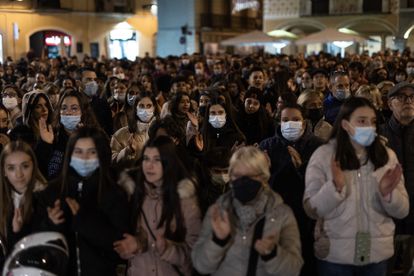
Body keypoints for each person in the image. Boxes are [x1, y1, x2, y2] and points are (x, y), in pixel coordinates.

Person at [304, 97, 409, 276]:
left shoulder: (386, 157)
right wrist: (334, 187)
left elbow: (402, 211)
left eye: (373, 121)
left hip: (376, 254)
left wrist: (388, 195)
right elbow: (311, 209)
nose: (369, 126)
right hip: (336, 256)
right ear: (345, 124)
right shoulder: (324, 156)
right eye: (361, 121)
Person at [192, 146, 303, 275]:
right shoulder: (218, 211)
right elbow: (201, 265)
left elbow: (293, 270)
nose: (243, 182)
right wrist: (218, 241)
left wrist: (272, 253)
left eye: (250, 176)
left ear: (263, 177)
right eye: (237, 176)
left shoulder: (282, 215)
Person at [38, 127, 129, 276]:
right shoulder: (52, 191)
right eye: (78, 152)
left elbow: (119, 245)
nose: (84, 158)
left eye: (91, 152)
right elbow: (39, 240)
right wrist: (51, 223)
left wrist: (84, 222)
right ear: (70, 154)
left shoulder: (114, 192)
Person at [114, 136, 201, 275]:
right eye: (146, 159)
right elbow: (120, 238)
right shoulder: (132, 193)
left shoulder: (184, 199)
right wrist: (134, 246)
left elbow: (196, 253)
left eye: (157, 160)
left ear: (168, 163)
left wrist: (169, 249)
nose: (149, 165)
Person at [260, 103, 323, 275]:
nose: (290, 124)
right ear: (279, 122)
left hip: (307, 218)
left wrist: (302, 168)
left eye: (295, 120)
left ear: (304, 123)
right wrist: (262, 171)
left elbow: (323, 185)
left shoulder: (319, 146)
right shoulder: (267, 146)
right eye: (285, 120)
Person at [379, 81, 414, 275]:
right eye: (401, 97)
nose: (408, 101)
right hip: (386, 222)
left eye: (411, 97)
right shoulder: (379, 136)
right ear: (390, 104)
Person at [0, 141, 47, 267]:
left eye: (25, 166)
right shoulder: (3, 200)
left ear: (33, 166)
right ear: (4, 171)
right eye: (11, 168)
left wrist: (19, 232)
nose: (19, 174)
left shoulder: (46, 198)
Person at [111, 92, 160, 166]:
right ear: (136, 108)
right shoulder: (121, 134)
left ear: (154, 108)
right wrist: (128, 150)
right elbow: (113, 162)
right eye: (141, 106)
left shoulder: (162, 132)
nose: (145, 109)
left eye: (149, 106)